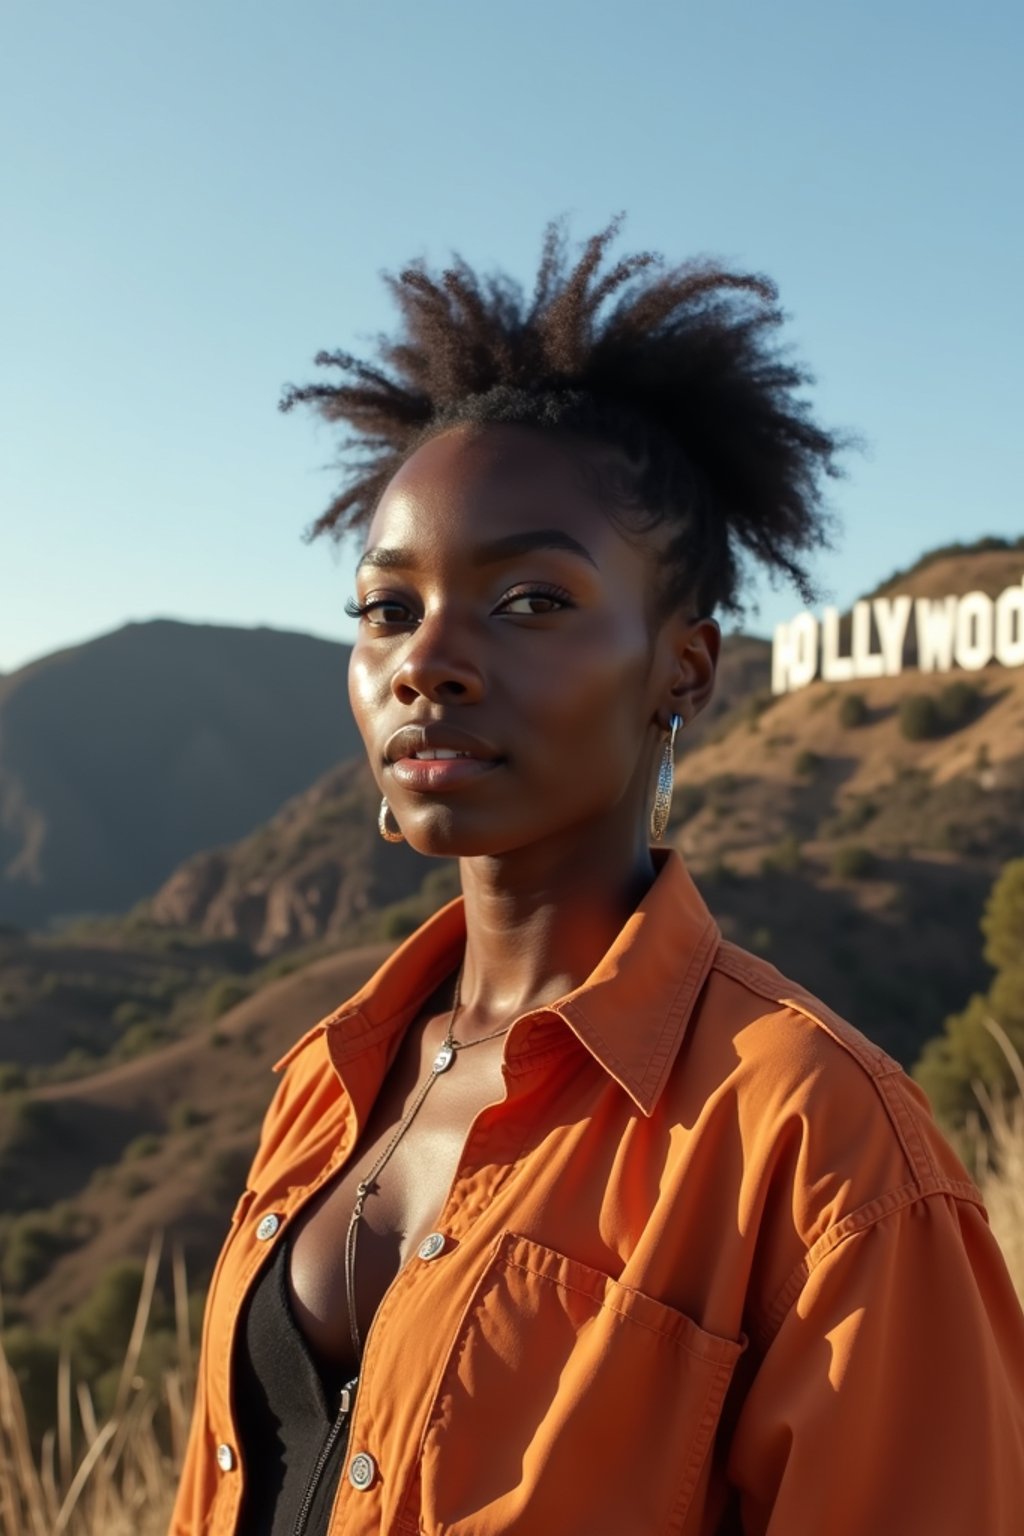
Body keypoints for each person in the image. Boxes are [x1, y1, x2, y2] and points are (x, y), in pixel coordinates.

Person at [169, 221, 1024, 1536]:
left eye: (531, 603)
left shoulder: (821, 1152)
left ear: (685, 668)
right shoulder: (321, 1088)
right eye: (389, 608)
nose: (426, 662)